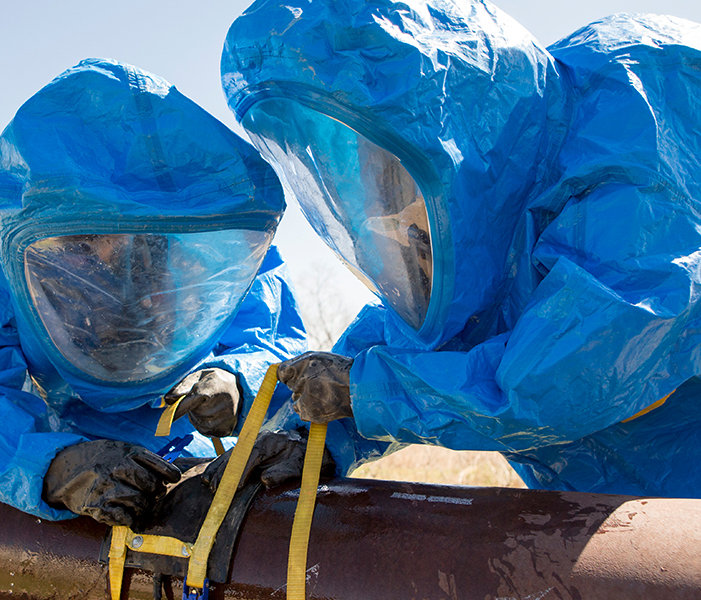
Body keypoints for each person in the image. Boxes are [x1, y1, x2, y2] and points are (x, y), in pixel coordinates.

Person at [221, 0, 701, 497]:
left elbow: (564, 379)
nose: (387, 209)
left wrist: (359, 390)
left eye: (391, 171)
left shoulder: (632, 140)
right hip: (600, 524)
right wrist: (306, 437)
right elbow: (420, 333)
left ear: (455, 134)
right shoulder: (486, 218)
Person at [0, 59, 309, 528]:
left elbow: (269, 332)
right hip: (61, 443)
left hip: (196, 456)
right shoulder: (8, 214)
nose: (123, 272)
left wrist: (237, 379)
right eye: (90, 247)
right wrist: (54, 467)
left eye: (146, 248)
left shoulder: (205, 217)